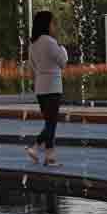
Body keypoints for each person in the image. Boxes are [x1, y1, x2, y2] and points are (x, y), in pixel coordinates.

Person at [26, 10, 67, 167]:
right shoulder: (50, 42)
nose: (54, 26)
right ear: (46, 24)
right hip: (53, 86)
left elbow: (32, 67)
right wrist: (62, 48)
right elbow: (63, 62)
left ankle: (49, 156)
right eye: (52, 23)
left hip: (40, 88)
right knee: (51, 123)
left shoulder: (33, 45)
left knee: (50, 122)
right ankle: (35, 147)